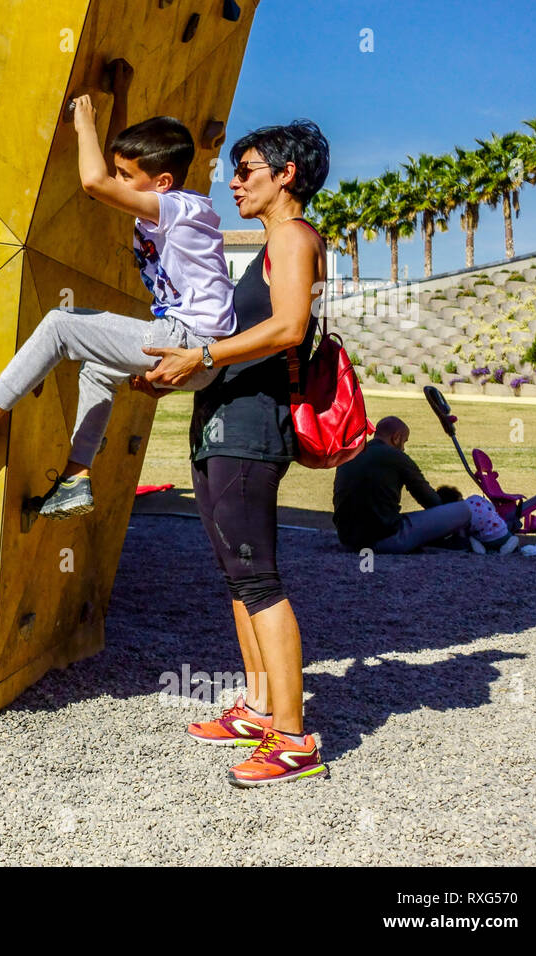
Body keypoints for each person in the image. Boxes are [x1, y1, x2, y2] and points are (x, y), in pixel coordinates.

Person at [0, 96, 236, 520]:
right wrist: (118, 96)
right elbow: (109, 170)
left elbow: (95, 182)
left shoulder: (177, 207)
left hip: (190, 344)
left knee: (60, 326)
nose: (117, 179)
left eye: (126, 175)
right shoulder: (167, 203)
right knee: (99, 369)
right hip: (198, 352)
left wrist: (83, 122)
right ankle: (73, 478)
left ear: (161, 182)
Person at [135, 120, 332, 787]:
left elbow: (289, 327)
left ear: (287, 175)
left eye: (248, 168)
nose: (235, 179)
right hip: (223, 417)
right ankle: (257, 706)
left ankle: (291, 737)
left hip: (252, 425)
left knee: (259, 578)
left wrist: (206, 354)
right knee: (236, 575)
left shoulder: (293, 236)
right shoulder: (269, 243)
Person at [332, 417, 471, 554]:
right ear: (396, 438)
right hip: (384, 539)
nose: (403, 448)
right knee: (468, 508)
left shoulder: (350, 454)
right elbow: (430, 500)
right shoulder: (397, 457)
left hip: (348, 540)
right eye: (404, 442)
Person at [436, 485, 520, 554]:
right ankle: (510, 544)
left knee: (470, 537)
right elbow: (492, 508)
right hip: (503, 533)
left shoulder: (459, 516)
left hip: (485, 540)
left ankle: (482, 550)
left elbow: (461, 534)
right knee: (509, 536)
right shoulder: (476, 498)